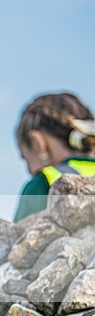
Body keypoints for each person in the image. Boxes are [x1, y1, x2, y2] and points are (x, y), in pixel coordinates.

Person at [13, 92, 95, 221]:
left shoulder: (44, 183)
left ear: (37, 143)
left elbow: (18, 239)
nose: (28, 170)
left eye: (25, 158)